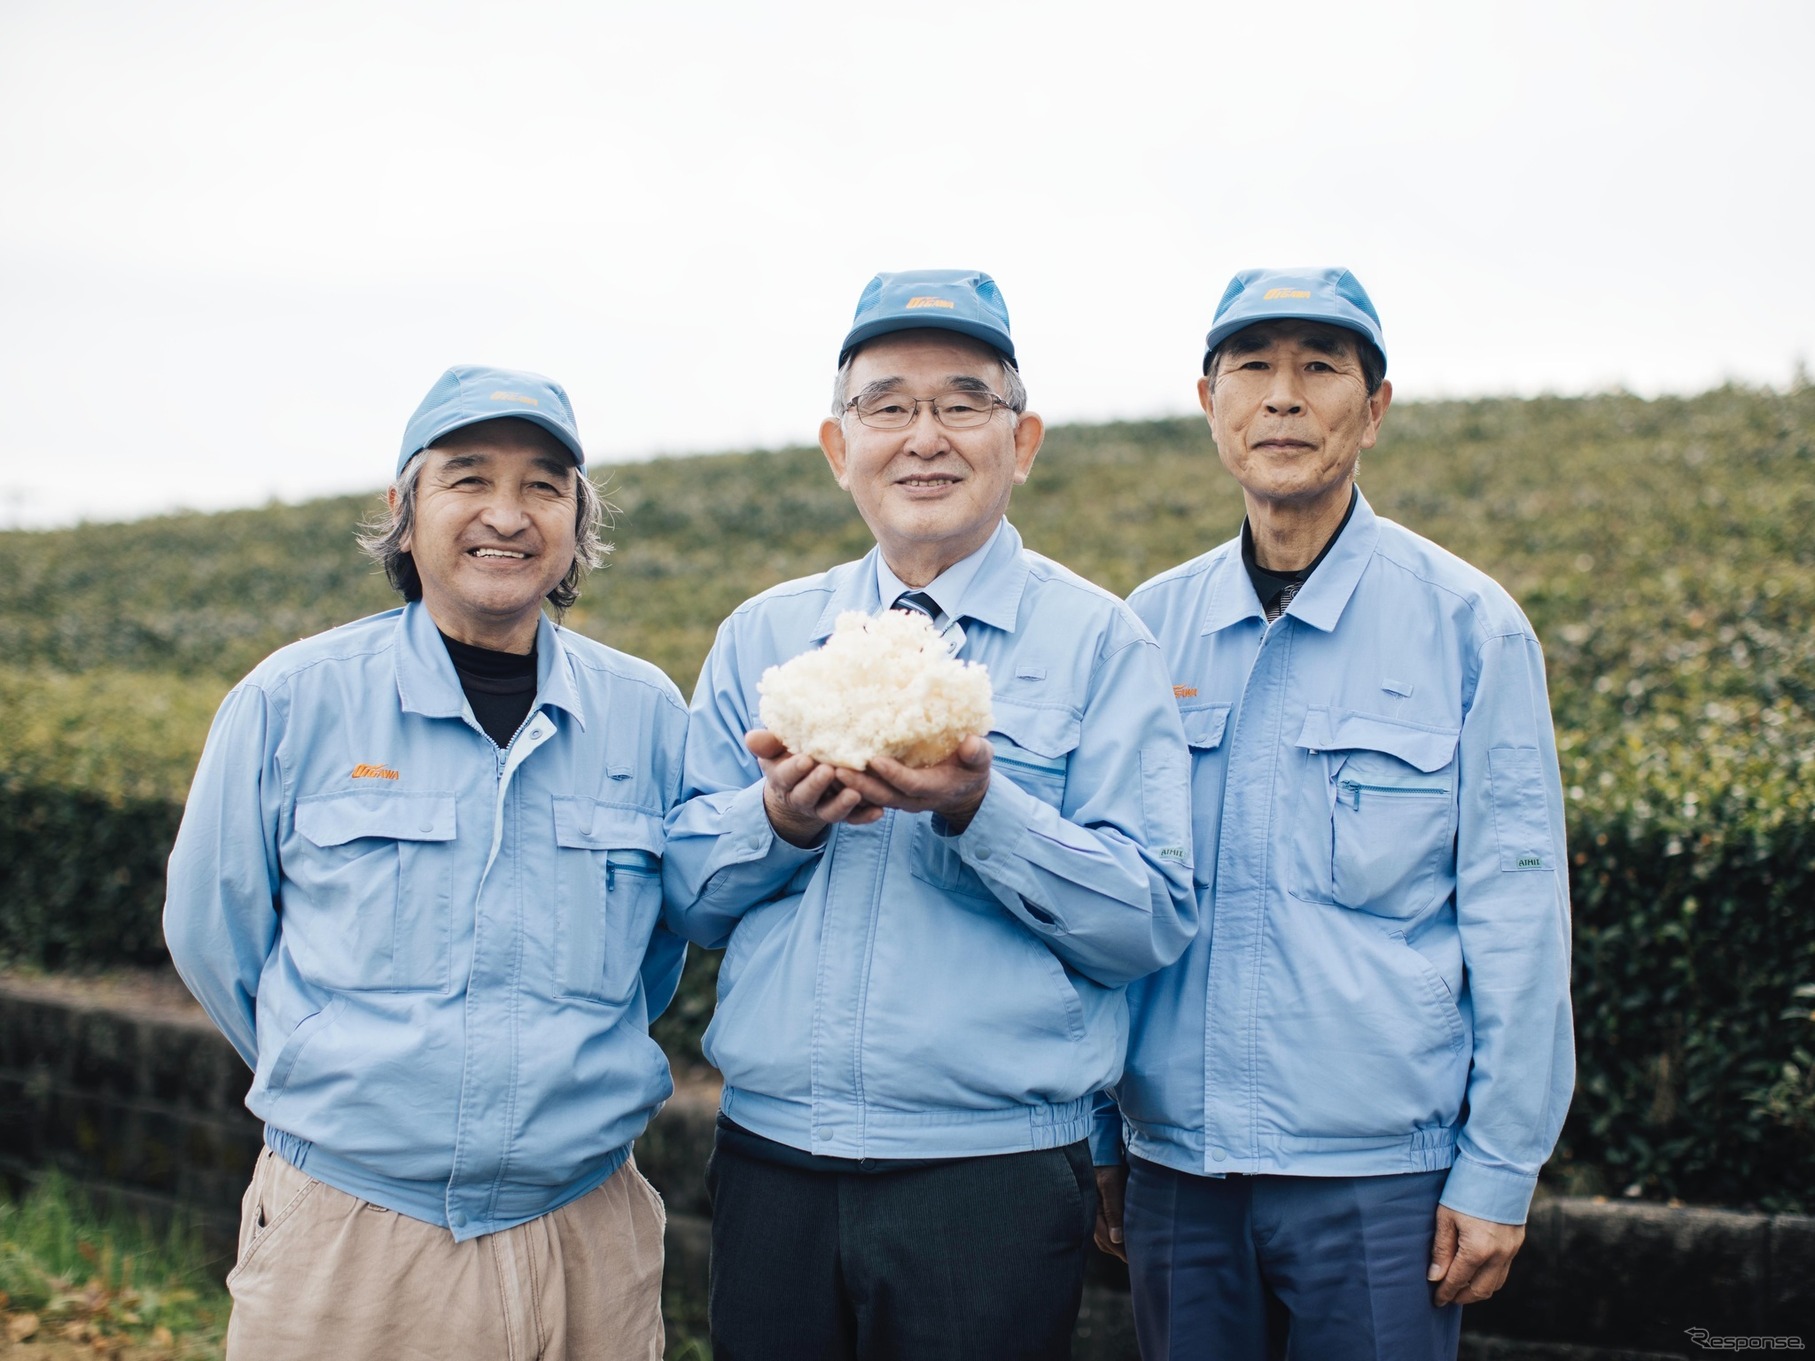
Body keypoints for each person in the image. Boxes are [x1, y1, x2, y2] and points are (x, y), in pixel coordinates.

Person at [662, 268, 1197, 1360]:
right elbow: (685, 891)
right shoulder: (763, 635)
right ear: (837, 443)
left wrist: (982, 811)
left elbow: (1147, 918)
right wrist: (779, 821)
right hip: (776, 1160)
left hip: (991, 1174)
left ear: (1023, 438)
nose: (925, 436)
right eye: (888, 405)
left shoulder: (1099, 643)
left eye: (963, 402)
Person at [164, 364, 688, 1360]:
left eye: (544, 483)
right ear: (405, 513)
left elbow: (655, 953)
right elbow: (211, 932)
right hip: (353, 1235)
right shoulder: (291, 700)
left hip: (589, 1232)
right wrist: (337, 1068)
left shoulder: (650, 715)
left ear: (579, 522)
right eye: (467, 478)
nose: (508, 511)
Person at [1101, 267, 1575, 1360]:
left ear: (1375, 407)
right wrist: (1097, 1132)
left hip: (1381, 1181)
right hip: (1178, 1168)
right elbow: (1108, 894)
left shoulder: (1468, 625)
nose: (1283, 396)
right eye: (1251, 368)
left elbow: (1518, 913)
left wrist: (1499, 1165)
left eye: (1320, 366)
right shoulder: (1143, 629)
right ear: (1208, 400)